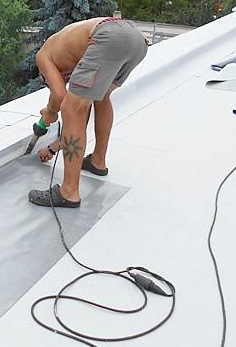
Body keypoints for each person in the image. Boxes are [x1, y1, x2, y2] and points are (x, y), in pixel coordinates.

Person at [28, 16, 148, 208]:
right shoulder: (69, 48)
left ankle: (68, 192)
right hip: (136, 40)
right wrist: (52, 149)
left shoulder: (43, 56)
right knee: (101, 97)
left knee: (71, 108)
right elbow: (80, 116)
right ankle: (97, 161)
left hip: (109, 37)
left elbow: (60, 97)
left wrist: (50, 111)